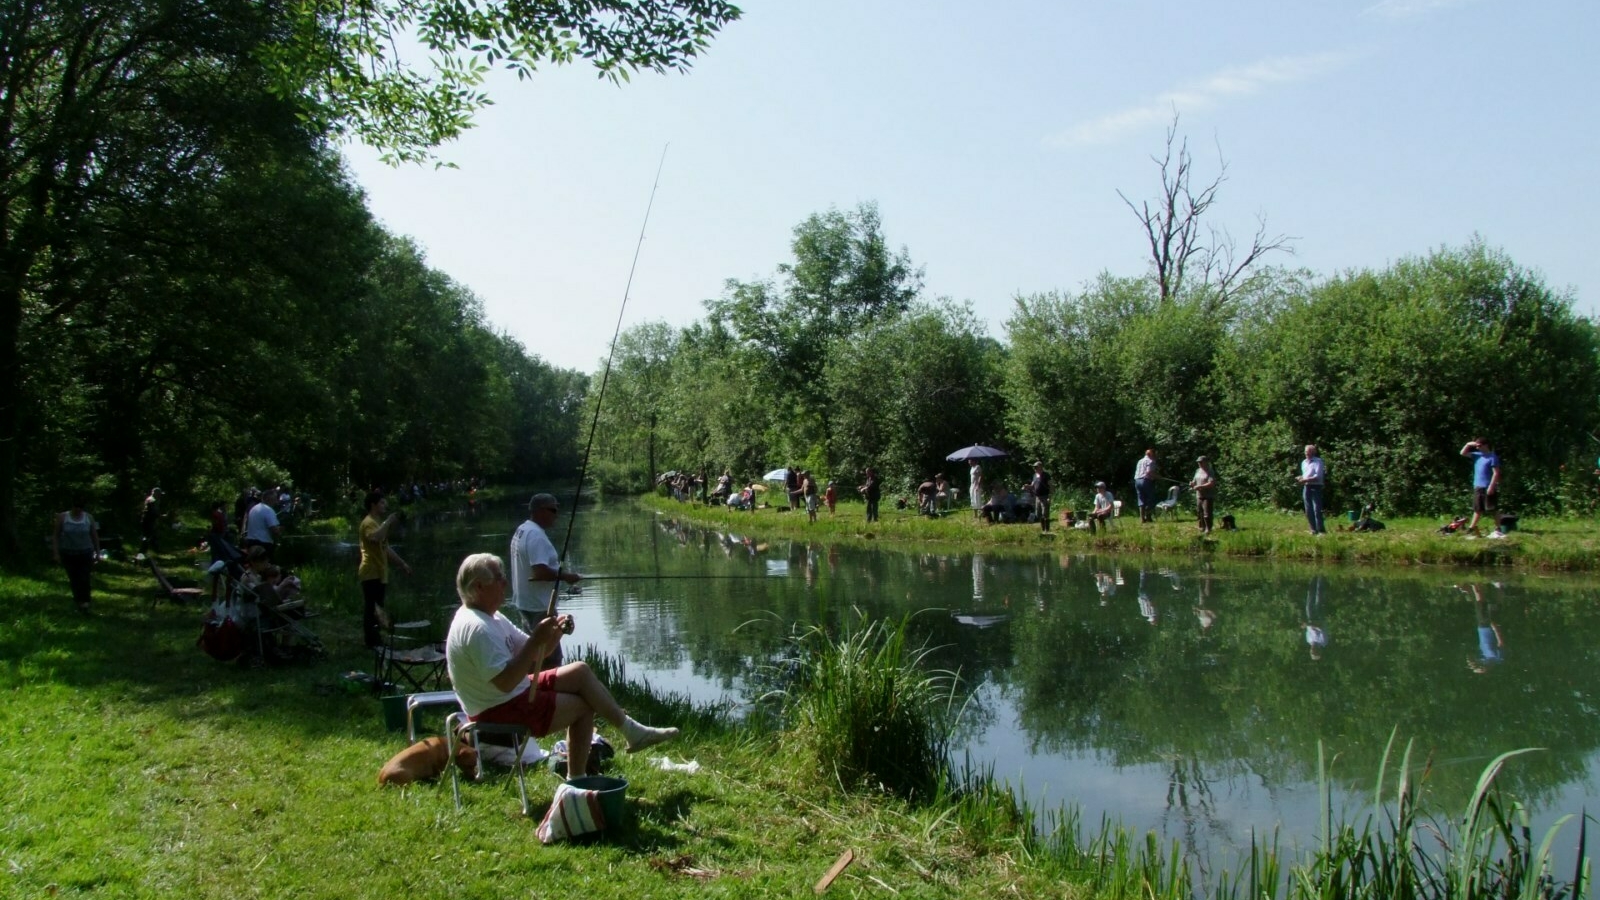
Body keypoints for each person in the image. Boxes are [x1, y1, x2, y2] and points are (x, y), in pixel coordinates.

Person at [445, 553, 678, 778]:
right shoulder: (477, 628)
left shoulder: (492, 618)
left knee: (579, 671)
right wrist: (537, 639)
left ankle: (632, 732)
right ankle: (576, 780)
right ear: (478, 587)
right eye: (498, 578)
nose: (505, 582)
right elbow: (505, 682)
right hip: (497, 711)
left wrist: (555, 632)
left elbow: (539, 652)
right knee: (583, 707)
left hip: (511, 696)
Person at [510, 493, 582, 670]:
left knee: (532, 654)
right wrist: (566, 576)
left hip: (526, 603)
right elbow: (540, 571)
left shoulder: (522, 530)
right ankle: (545, 693)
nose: (556, 514)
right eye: (553, 510)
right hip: (541, 607)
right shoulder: (536, 536)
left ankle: (532, 691)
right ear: (540, 511)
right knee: (550, 657)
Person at [358, 491, 412, 649]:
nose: (385, 505)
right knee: (371, 607)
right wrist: (388, 522)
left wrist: (402, 564)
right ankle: (371, 641)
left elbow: (385, 548)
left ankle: (376, 639)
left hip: (379, 572)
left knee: (378, 606)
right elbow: (375, 537)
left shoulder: (376, 523)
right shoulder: (368, 522)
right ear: (373, 505)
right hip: (370, 572)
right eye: (382, 503)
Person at [53, 496, 101, 614]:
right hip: (68, 552)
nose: (78, 509)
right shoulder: (63, 517)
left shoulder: (88, 518)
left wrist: (98, 552)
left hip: (85, 552)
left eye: (80, 507)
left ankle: (85, 602)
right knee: (74, 578)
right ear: (72, 506)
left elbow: (94, 536)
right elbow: (56, 536)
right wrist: (56, 553)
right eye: (76, 506)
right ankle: (78, 601)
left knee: (84, 577)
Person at [1460, 438, 1501, 535]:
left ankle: (1498, 528)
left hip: (1488, 486)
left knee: (1492, 509)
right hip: (1478, 486)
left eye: (1479, 445)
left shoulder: (1492, 456)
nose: (1477, 447)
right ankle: (1471, 528)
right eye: (1477, 446)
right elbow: (1462, 453)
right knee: (1477, 508)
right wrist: (1468, 444)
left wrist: (1491, 486)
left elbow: (1496, 473)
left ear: (1486, 445)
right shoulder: (1476, 455)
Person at [1295, 444, 1327, 536]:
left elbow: (1318, 476)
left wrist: (1305, 479)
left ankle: (1321, 530)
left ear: (1313, 452)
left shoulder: (1318, 462)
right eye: (1306, 452)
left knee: (1317, 509)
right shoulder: (1304, 462)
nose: (1307, 454)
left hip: (1316, 487)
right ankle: (1313, 529)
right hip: (1306, 487)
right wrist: (1301, 478)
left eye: (1309, 452)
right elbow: (1306, 474)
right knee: (1308, 509)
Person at [243, 487, 282, 557]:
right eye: (275, 499)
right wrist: (280, 531)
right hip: (263, 544)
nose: (276, 502)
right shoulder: (269, 510)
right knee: (265, 566)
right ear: (268, 499)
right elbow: (274, 529)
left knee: (254, 565)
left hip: (251, 542)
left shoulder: (254, 508)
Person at [1191, 456, 1218, 535]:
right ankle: (1202, 527)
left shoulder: (1210, 471)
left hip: (1208, 495)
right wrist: (1192, 484)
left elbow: (1211, 483)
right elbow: (1194, 481)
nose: (1199, 463)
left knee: (1207, 513)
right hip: (1199, 495)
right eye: (1198, 462)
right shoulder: (1197, 471)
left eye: (1201, 462)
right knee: (1200, 512)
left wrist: (1200, 486)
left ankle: (1208, 528)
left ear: (1206, 462)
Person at [1133, 449, 1158, 523]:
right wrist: (1157, 476)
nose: (1154, 456)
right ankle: (1148, 516)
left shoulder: (1140, 461)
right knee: (1150, 498)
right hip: (1146, 481)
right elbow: (1149, 472)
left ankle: (1142, 519)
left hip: (1137, 481)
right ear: (1151, 454)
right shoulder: (1150, 461)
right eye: (1154, 454)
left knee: (1141, 499)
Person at [139, 487, 163, 555]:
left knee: (151, 536)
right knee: (147, 537)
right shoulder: (152, 500)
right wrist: (160, 516)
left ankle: (152, 551)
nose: (160, 495)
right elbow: (153, 512)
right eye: (159, 494)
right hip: (148, 521)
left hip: (147, 520)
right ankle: (141, 553)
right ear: (155, 493)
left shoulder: (149, 499)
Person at [1030, 461, 1052, 532]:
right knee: (1038, 514)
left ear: (1041, 467)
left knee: (1045, 513)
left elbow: (1051, 485)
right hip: (1038, 497)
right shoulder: (1034, 475)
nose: (1035, 468)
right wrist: (1027, 486)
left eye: (1036, 467)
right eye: (1034, 467)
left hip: (1045, 496)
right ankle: (1043, 529)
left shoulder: (1046, 475)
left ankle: (1047, 530)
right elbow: (1032, 485)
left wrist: (1050, 496)